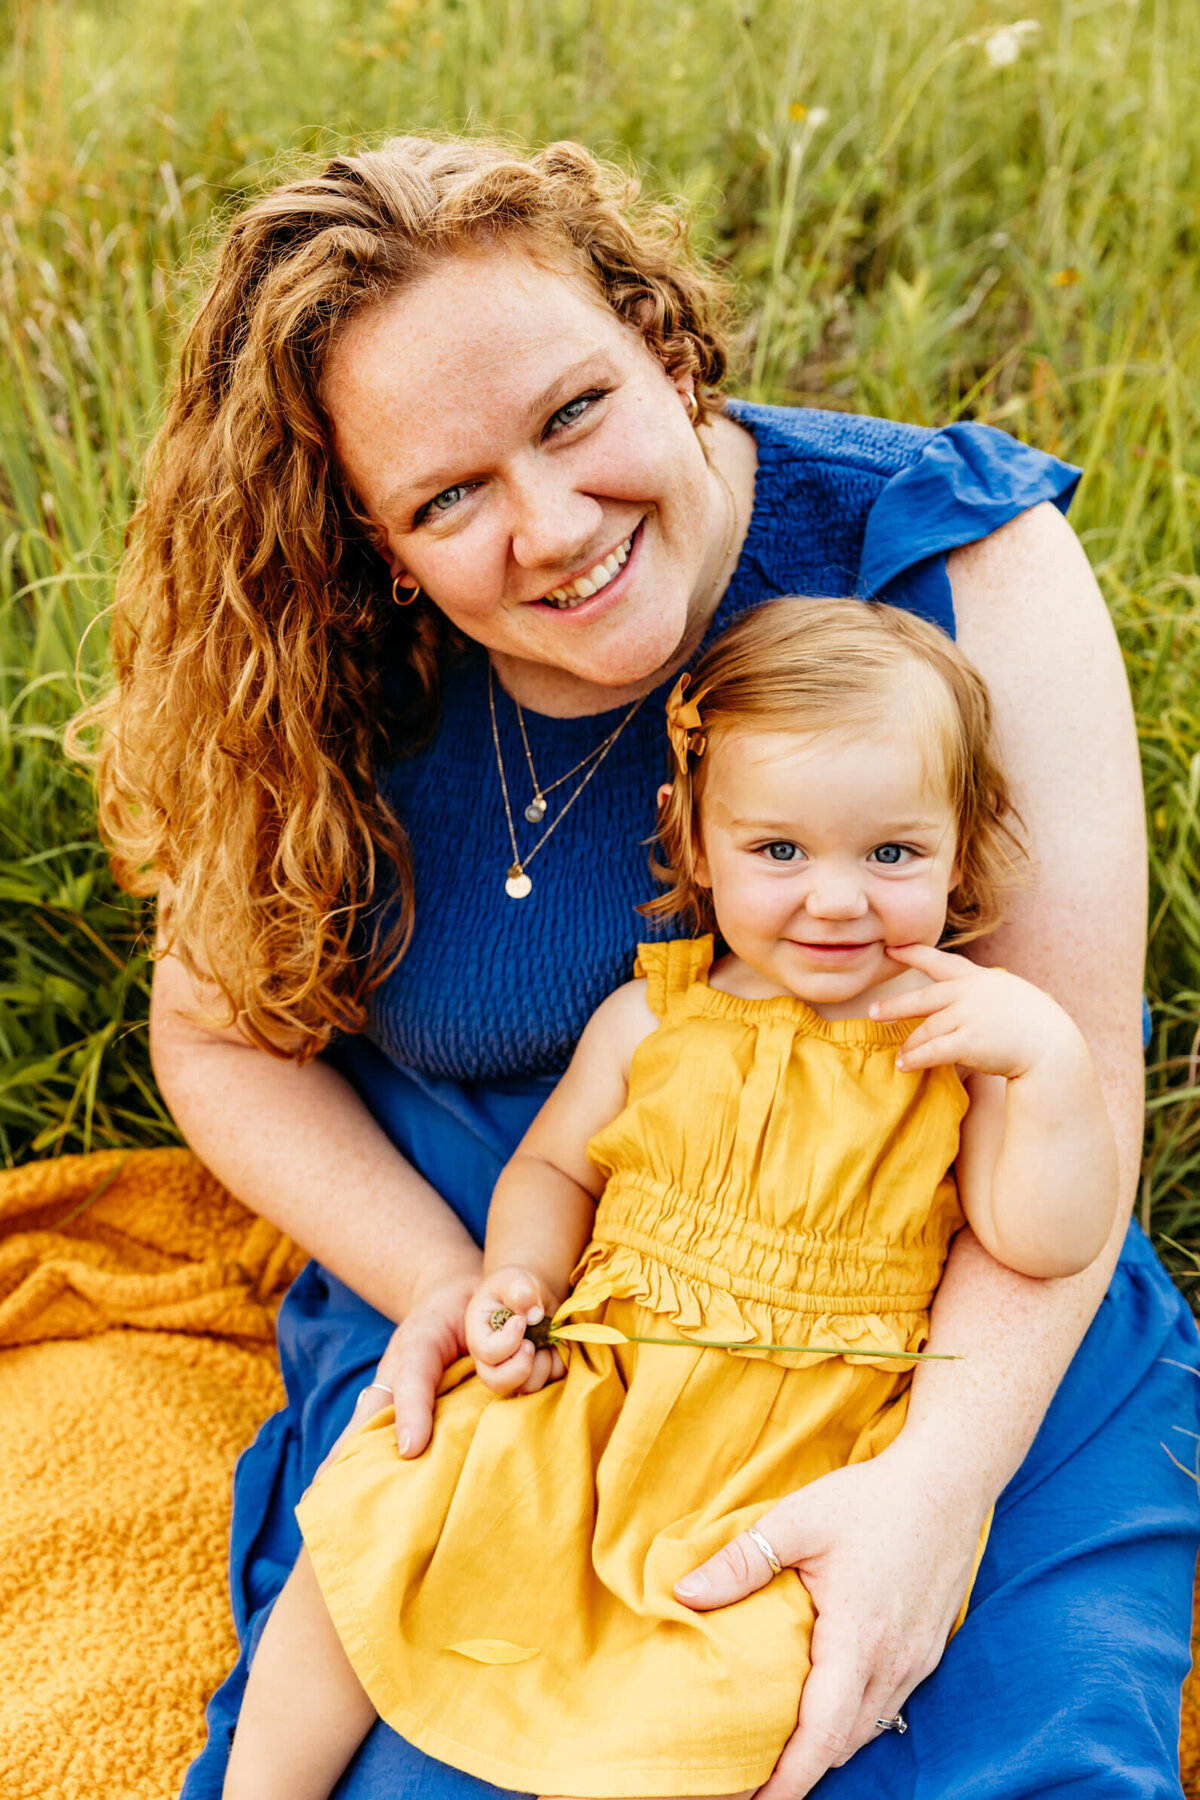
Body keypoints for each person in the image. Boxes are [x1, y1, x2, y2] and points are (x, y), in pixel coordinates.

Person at [81, 134, 1199, 1799]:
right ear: (381, 540)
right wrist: (454, 1294)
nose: (549, 527)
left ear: (664, 348)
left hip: (938, 1295)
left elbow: (1078, 1076)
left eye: (574, 413)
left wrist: (935, 1492)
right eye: (447, 499)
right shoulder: (323, 652)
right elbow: (221, 1039)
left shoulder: (955, 558)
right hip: (537, 1299)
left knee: (972, 1749)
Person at [221, 597, 1119, 1800]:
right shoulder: (652, 1015)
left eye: (892, 854)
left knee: (725, 1707)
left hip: (797, 1455)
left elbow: (1042, 1236)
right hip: (602, 1392)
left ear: (960, 849)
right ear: (695, 841)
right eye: (780, 851)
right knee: (369, 1540)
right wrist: (520, 1279)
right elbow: (553, 1168)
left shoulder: (956, 1045)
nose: (838, 898)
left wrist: (1051, 1068)